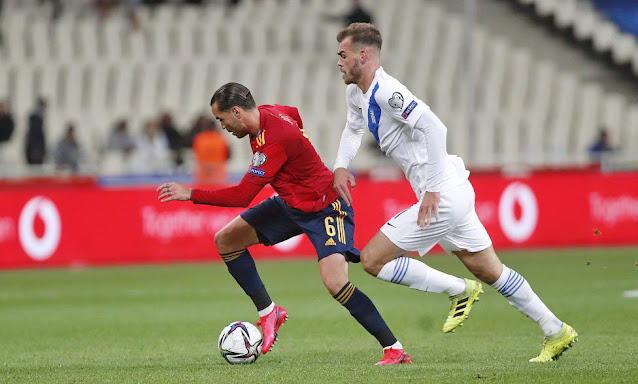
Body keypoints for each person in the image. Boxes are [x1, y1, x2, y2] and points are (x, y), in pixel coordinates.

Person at [332, 23, 578, 363]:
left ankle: (458, 289)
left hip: (443, 193)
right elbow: (353, 128)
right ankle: (556, 330)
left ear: (364, 55)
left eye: (343, 55)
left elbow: (435, 127)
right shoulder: (356, 93)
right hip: (452, 191)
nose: (338, 61)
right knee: (490, 270)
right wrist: (341, 166)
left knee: (372, 260)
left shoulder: (388, 91)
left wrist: (432, 190)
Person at [157, 82, 411, 365]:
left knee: (335, 282)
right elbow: (295, 113)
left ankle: (394, 348)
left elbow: (242, 195)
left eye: (222, 119)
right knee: (226, 240)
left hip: (325, 207)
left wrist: (190, 194)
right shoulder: (271, 112)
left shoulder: (273, 140)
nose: (223, 126)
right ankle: (269, 313)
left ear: (237, 112)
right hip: (291, 203)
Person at [192, 118, 229, 184]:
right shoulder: (221, 138)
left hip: (203, 169)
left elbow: (195, 153)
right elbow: (227, 153)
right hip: (218, 169)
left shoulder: (199, 138)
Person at [25, 97, 47, 165]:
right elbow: (35, 138)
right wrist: (36, 151)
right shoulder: (36, 122)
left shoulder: (36, 121)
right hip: (35, 154)